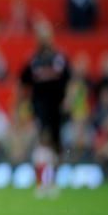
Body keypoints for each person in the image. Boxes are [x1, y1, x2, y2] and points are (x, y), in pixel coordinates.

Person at [19, 20, 70, 197]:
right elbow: (23, 83)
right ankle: (41, 183)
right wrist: (21, 106)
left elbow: (69, 82)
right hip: (39, 107)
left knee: (56, 146)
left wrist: (68, 100)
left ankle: (53, 182)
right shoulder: (34, 60)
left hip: (57, 108)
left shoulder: (59, 58)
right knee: (42, 141)